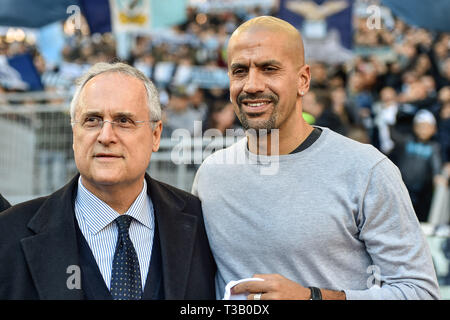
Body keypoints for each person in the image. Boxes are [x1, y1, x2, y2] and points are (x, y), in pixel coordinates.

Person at [192, 16, 440, 300]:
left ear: (303, 80)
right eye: (239, 71)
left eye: (269, 69)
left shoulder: (367, 170)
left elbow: (420, 292)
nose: (251, 84)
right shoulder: (212, 175)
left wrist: (314, 298)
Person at [0, 62, 216, 300]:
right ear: (75, 134)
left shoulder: (204, 224)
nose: (106, 136)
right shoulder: (9, 233)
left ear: (156, 135)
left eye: (124, 121)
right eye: (92, 120)